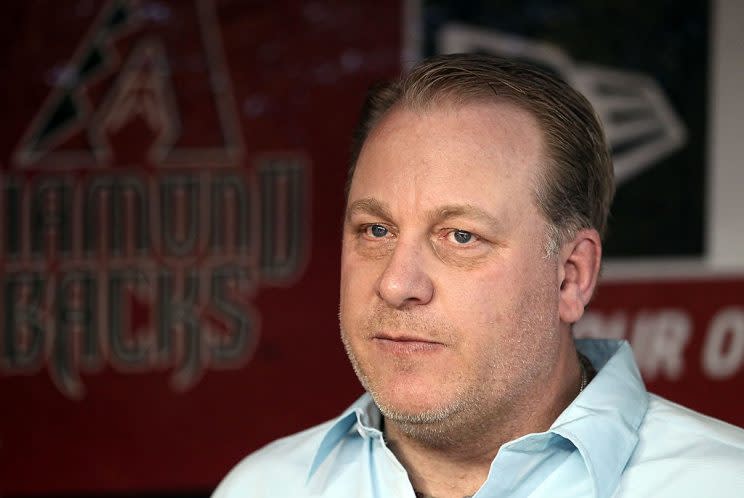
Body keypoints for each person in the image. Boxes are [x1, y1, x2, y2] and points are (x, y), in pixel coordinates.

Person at [213, 54, 744, 498]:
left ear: (571, 277)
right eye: (376, 230)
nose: (397, 284)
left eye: (460, 237)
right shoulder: (260, 488)